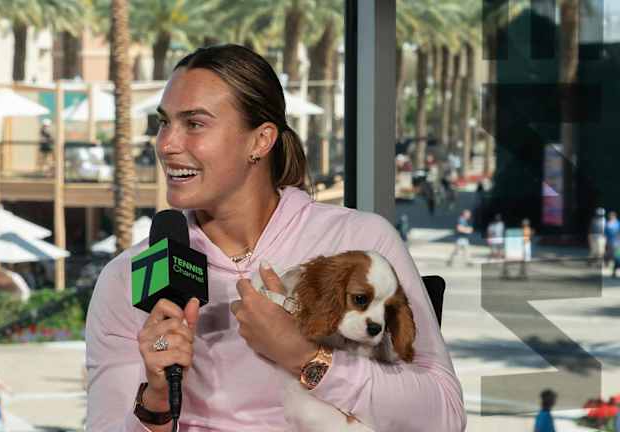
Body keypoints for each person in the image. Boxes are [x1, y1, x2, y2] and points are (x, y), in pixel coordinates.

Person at [85, 44, 465, 431]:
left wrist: (306, 357)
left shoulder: (360, 242)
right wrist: (157, 402)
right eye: (164, 122)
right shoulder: (128, 276)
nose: (166, 144)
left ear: (261, 140)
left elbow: (445, 417)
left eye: (194, 124)